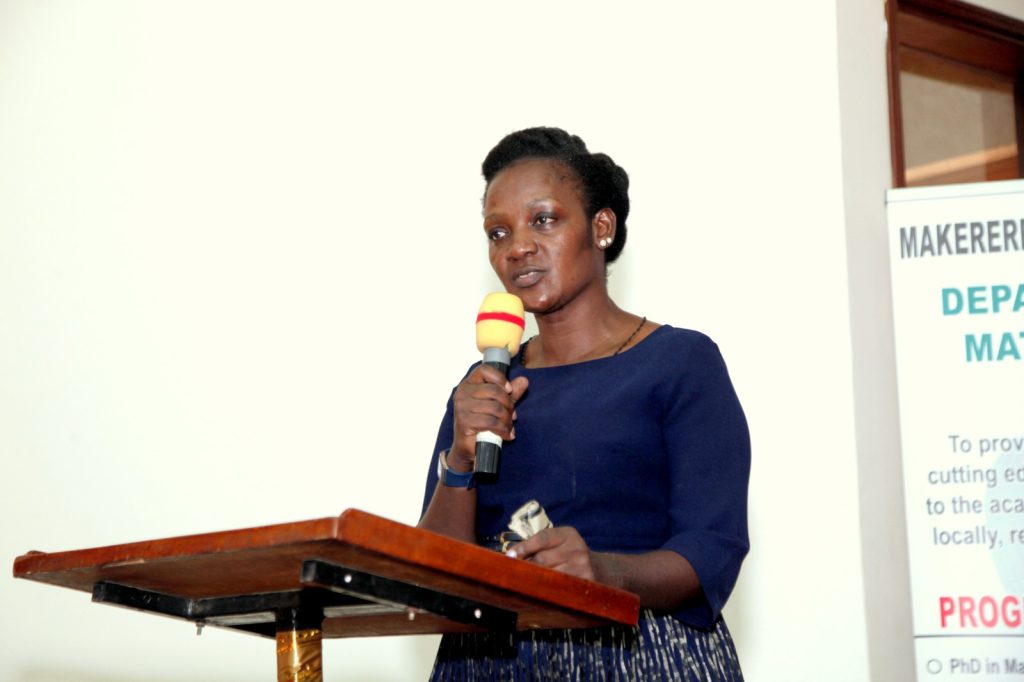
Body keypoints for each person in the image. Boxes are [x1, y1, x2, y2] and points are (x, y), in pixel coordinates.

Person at [419, 126, 750, 681]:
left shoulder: (680, 362)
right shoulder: (482, 388)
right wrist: (459, 461)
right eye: (498, 232)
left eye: (543, 220)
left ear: (601, 227)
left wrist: (600, 572)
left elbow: (709, 552)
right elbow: (431, 576)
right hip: (488, 661)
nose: (517, 245)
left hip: (638, 652)